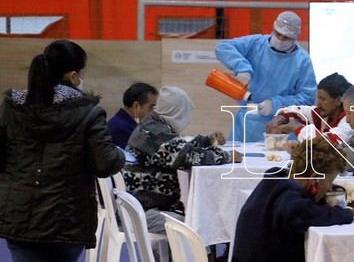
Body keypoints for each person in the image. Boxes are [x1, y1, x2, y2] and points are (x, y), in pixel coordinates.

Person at [0, 40, 125, 262]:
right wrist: (120, 155)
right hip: (67, 217)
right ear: (73, 75)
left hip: (18, 213)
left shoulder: (12, 107)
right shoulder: (88, 112)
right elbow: (105, 163)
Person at [122, 85, 242, 233]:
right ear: (178, 112)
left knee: (202, 221)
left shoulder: (154, 125)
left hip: (144, 204)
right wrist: (227, 156)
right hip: (144, 212)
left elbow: (178, 151)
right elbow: (188, 157)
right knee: (200, 227)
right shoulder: (155, 132)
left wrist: (207, 141)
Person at [231, 136, 354, 262]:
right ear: (315, 177)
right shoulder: (290, 197)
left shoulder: (277, 183)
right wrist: (347, 213)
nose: (329, 188)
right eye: (330, 181)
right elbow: (308, 213)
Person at [215, 11, 317, 142]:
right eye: (278, 34)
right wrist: (242, 67)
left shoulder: (302, 60)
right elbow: (223, 47)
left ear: (295, 37)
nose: (280, 40)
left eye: (286, 38)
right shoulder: (256, 44)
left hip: (280, 127)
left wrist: (276, 104)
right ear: (273, 29)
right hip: (246, 123)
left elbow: (307, 98)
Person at [265, 72, 354, 150]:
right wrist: (280, 118)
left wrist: (297, 128)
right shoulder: (323, 113)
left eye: (323, 99)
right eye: (318, 98)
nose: (318, 104)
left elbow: (327, 145)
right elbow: (297, 111)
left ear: (338, 100)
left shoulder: (349, 122)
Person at [108, 82, 158, 148]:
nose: (152, 112)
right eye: (150, 107)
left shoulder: (121, 122)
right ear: (136, 106)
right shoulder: (121, 129)